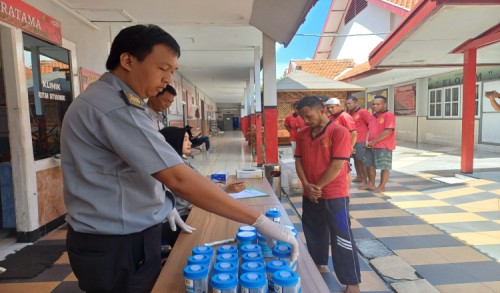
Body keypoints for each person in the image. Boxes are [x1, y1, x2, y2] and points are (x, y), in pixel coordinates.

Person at [61, 24, 298, 293]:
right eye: (163, 68)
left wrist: (163, 201)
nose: (168, 80)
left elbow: (140, 168)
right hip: (116, 243)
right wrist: (259, 221)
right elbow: (177, 177)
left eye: (173, 71)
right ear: (127, 60)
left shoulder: (116, 102)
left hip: (121, 235)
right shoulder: (115, 107)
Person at [294, 96, 361, 293]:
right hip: (310, 192)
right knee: (314, 231)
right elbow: (298, 160)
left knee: (341, 236)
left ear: (323, 111)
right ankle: (318, 262)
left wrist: (317, 187)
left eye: (309, 116)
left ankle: (352, 281)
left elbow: (337, 164)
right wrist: (307, 185)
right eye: (303, 118)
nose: (306, 121)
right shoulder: (303, 133)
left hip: (334, 193)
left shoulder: (339, 132)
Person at [159, 126, 247, 246]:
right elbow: (199, 190)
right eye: (184, 139)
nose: (190, 142)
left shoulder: (180, 162)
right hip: (178, 220)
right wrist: (226, 189)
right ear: (172, 141)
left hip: (185, 212)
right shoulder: (175, 168)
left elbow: (198, 182)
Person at [359, 96, 396, 193]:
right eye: (373, 104)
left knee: (384, 167)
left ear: (384, 104)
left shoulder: (389, 115)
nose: (374, 106)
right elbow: (369, 130)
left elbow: (388, 131)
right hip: (370, 145)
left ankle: (382, 186)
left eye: (378, 104)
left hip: (384, 146)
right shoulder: (372, 116)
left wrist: (374, 141)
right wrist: (367, 141)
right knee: (369, 165)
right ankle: (371, 184)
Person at [345, 96, 372, 185]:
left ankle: (365, 180)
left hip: (361, 141)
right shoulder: (348, 113)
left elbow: (371, 125)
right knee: (356, 160)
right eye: (347, 103)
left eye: (350, 103)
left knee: (362, 160)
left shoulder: (363, 112)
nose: (348, 105)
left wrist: (368, 139)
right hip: (352, 141)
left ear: (356, 103)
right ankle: (359, 176)